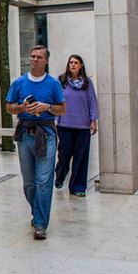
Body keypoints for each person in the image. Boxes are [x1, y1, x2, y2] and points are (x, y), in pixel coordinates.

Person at [5, 45, 66, 240]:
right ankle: (37, 212)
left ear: (46, 60)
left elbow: (62, 109)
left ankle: (40, 223)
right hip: (25, 135)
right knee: (29, 183)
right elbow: (9, 108)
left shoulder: (54, 84)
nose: (34, 60)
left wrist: (46, 106)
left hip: (46, 134)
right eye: (32, 56)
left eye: (39, 57)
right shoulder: (19, 82)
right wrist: (22, 107)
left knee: (43, 181)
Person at [53, 54, 99, 197]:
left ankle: (77, 187)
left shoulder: (87, 83)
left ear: (81, 66)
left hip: (83, 126)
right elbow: (55, 101)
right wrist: (54, 119)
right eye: (71, 62)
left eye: (76, 63)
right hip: (64, 125)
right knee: (64, 154)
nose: (73, 65)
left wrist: (93, 120)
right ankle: (60, 176)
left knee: (81, 157)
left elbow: (92, 102)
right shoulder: (60, 81)